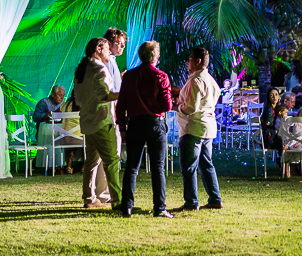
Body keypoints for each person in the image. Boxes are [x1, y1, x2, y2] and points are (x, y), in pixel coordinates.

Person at [117, 40, 173, 218]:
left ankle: (126, 206)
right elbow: (167, 105)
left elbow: (121, 105)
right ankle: (159, 207)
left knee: (131, 167)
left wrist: (122, 128)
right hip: (155, 123)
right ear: (156, 57)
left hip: (134, 123)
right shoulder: (161, 76)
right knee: (158, 167)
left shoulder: (129, 76)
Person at [73, 37, 122, 210]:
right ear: (99, 49)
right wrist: (122, 94)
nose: (110, 51)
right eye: (108, 48)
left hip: (87, 122)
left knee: (91, 162)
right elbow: (104, 95)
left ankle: (89, 198)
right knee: (111, 161)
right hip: (102, 121)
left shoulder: (82, 71)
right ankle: (118, 200)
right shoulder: (99, 70)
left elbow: (77, 100)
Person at [173, 47, 223, 211]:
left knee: (189, 166)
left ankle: (191, 202)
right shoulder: (210, 80)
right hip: (208, 127)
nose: (187, 62)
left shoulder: (196, 81)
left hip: (193, 127)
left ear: (198, 61)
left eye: (190, 59)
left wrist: (177, 107)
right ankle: (215, 198)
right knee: (206, 164)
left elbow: (191, 107)